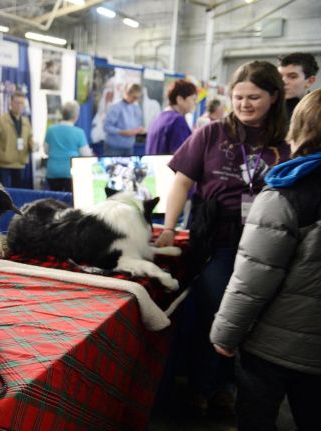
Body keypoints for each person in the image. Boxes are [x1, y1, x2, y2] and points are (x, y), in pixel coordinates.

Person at [155, 60, 290, 416]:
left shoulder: (287, 138)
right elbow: (182, 181)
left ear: (274, 97)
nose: (244, 104)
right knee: (217, 311)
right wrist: (169, 227)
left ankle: (232, 389)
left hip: (271, 241)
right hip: (219, 239)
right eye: (238, 97)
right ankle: (205, 385)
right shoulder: (212, 133)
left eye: (254, 97)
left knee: (255, 319)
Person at [210, 88, 321, 431]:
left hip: (272, 348)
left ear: (300, 127)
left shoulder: (287, 193)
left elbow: (253, 278)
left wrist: (225, 334)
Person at [0, 92, 35, 188]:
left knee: (18, 192)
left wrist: (33, 146)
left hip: (20, 163)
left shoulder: (26, 121)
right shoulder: (1, 120)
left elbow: (30, 138)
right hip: (5, 164)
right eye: (17, 102)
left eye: (22, 103)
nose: (19, 105)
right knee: (5, 193)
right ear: (11, 103)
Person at [43, 100, 92, 192]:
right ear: (76, 116)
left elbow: (46, 151)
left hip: (53, 172)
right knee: (70, 200)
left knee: (54, 201)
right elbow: (86, 155)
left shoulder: (51, 130)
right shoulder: (79, 133)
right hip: (71, 173)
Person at [145, 79, 197, 155]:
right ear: (180, 99)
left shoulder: (158, 117)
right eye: (193, 99)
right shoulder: (177, 121)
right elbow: (182, 157)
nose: (195, 103)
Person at [103, 83, 144, 156]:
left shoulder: (136, 107)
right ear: (127, 93)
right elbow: (106, 127)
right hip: (114, 147)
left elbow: (138, 123)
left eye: (137, 98)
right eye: (134, 97)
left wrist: (139, 129)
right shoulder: (116, 107)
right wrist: (122, 132)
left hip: (129, 147)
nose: (135, 100)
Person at [278, 52, 318, 119]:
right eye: (279, 76)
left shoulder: (317, 110)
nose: (283, 82)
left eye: (292, 77)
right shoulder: (268, 109)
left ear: (310, 81)